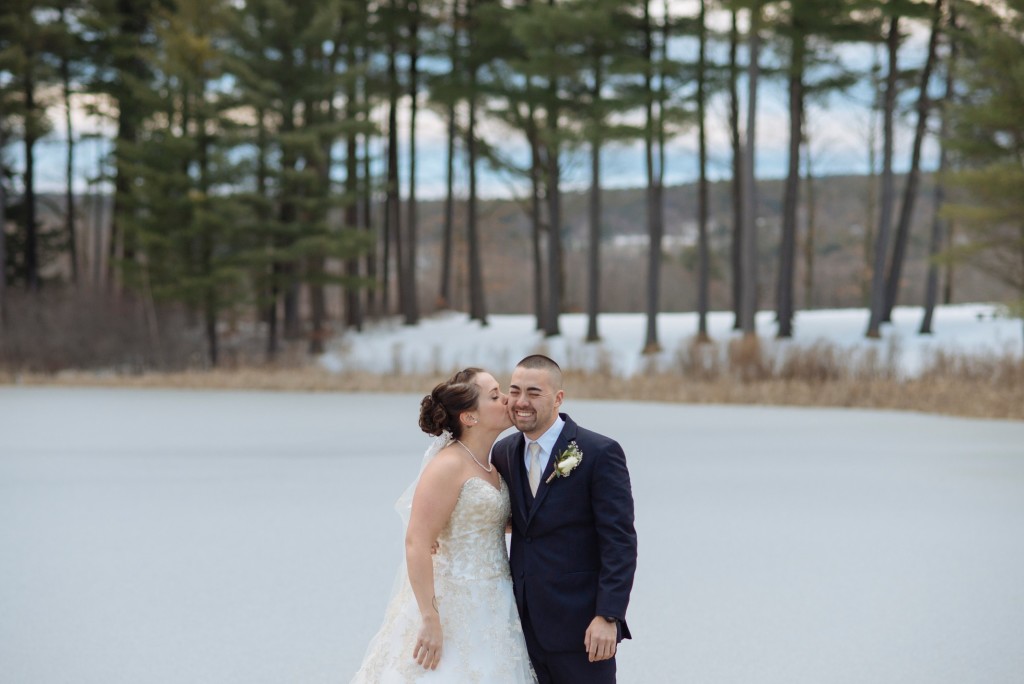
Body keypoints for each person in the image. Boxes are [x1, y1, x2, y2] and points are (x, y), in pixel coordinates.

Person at [350, 368, 537, 683]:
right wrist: (430, 618)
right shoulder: (448, 466)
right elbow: (417, 541)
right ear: (469, 417)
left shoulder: (492, 465)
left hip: (494, 602)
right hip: (452, 604)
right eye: (494, 395)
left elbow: (484, 524)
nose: (507, 399)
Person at [492, 355, 638, 684]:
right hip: (520, 630)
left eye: (534, 392)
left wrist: (608, 615)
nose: (521, 402)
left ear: (558, 398)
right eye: (514, 391)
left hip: (583, 631)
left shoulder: (599, 452)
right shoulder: (503, 452)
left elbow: (619, 541)